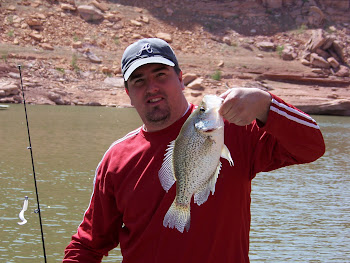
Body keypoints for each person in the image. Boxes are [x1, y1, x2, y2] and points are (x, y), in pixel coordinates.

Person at [63, 38, 325, 263]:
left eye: (161, 75)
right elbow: (87, 245)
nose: (151, 87)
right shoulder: (117, 159)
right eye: (139, 80)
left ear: (180, 79)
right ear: (128, 92)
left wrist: (266, 104)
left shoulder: (233, 129)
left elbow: (312, 147)